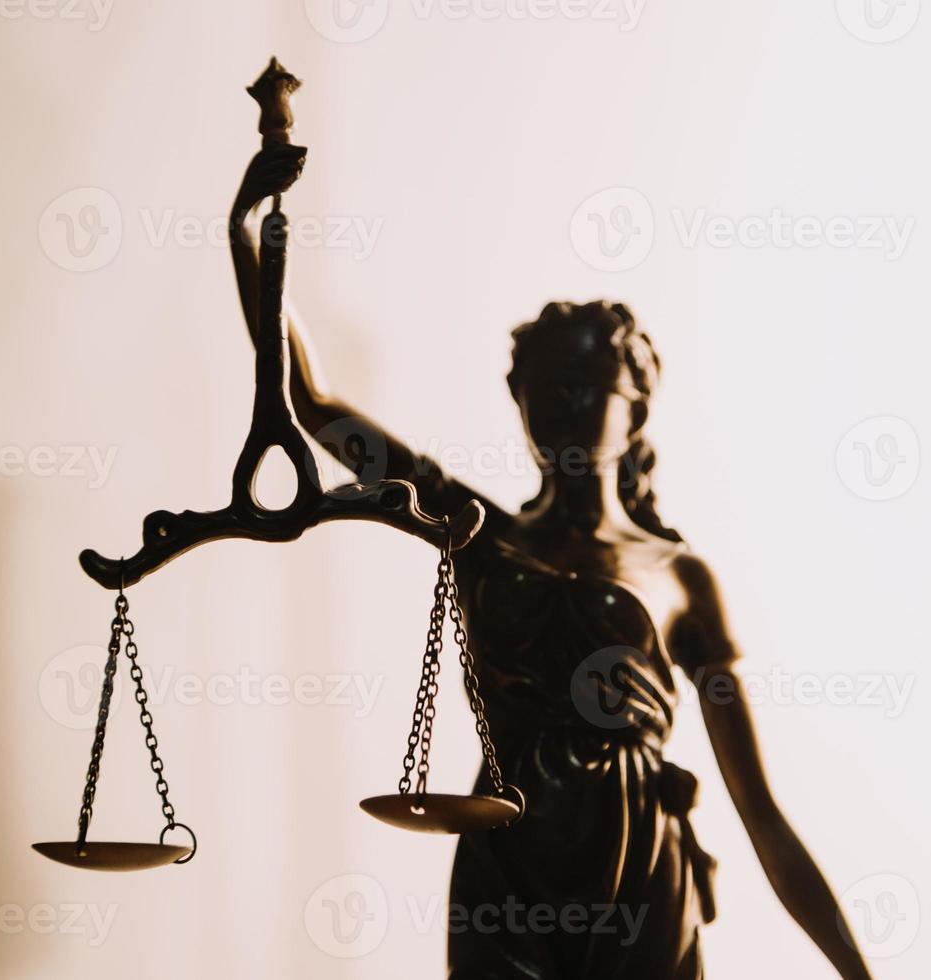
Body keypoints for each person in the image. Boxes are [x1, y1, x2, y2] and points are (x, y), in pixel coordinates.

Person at [231, 145, 875, 980]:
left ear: (636, 406)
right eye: (548, 384)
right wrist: (245, 228)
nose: (568, 405)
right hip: (508, 874)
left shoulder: (682, 579)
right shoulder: (469, 527)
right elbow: (312, 404)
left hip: (639, 878)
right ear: (518, 398)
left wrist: (857, 972)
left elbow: (762, 814)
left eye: (591, 383)